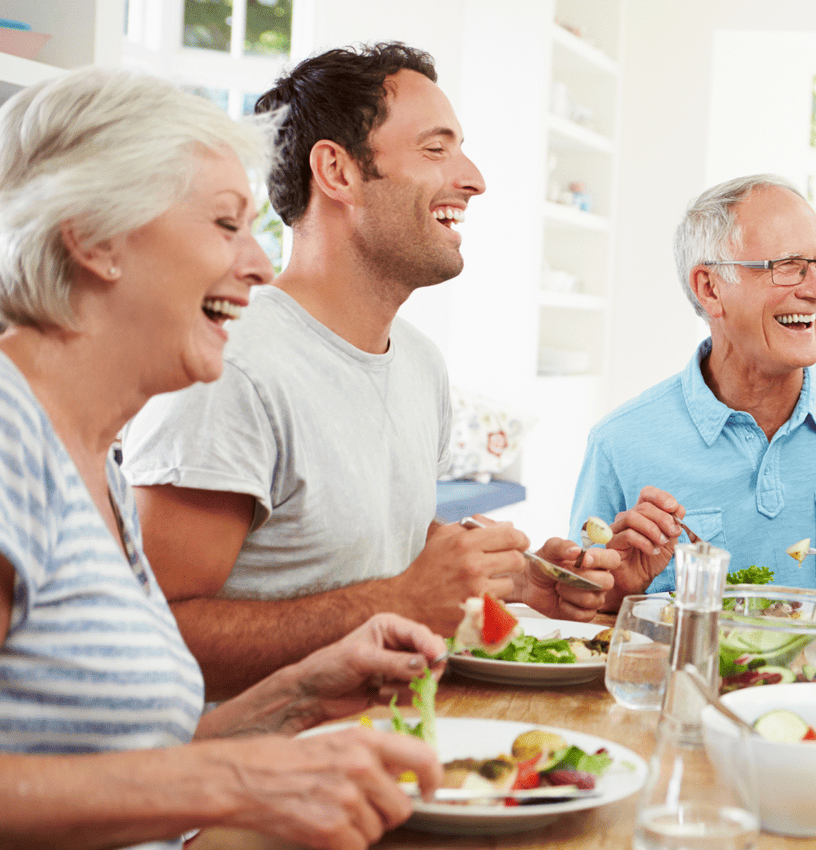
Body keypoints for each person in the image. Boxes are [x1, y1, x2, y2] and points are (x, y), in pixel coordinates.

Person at [0, 67, 447, 850]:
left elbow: (120, 771)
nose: (261, 266)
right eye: (223, 224)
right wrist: (244, 781)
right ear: (95, 238)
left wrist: (297, 698)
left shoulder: (91, 458)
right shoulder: (8, 435)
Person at [120, 42, 617, 699]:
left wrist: (518, 580)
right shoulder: (230, 365)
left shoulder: (419, 363)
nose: (473, 178)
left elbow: (373, 554)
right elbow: (154, 636)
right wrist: (404, 599)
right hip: (259, 776)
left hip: (389, 746)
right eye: (436, 149)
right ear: (338, 171)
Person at [570, 174, 816, 607]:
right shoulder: (620, 442)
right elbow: (579, 608)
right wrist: (615, 593)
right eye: (787, 267)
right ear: (709, 288)